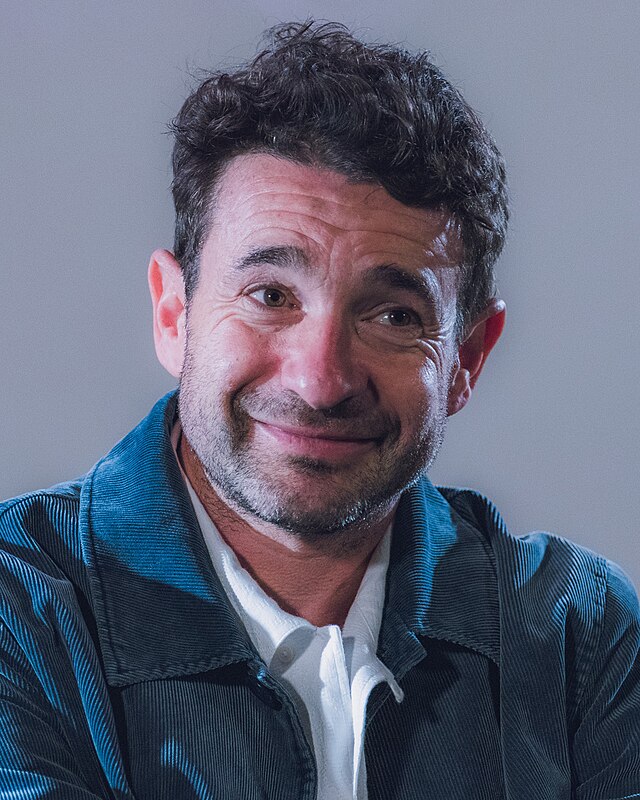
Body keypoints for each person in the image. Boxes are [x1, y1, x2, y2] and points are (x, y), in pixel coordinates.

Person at [0, 20, 638, 800]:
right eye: (270, 296)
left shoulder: (580, 635)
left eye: (395, 316)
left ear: (468, 358)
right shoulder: (16, 613)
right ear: (174, 315)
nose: (320, 380)